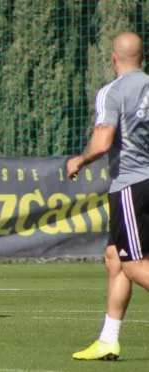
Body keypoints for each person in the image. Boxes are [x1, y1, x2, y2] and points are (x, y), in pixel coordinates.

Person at [69, 32, 149, 361]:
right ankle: (108, 340)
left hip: (131, 185)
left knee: (133, 265)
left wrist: (79, 159)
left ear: (113, 59)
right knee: (115, 258)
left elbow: (102, 144)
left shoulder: (112, 92)